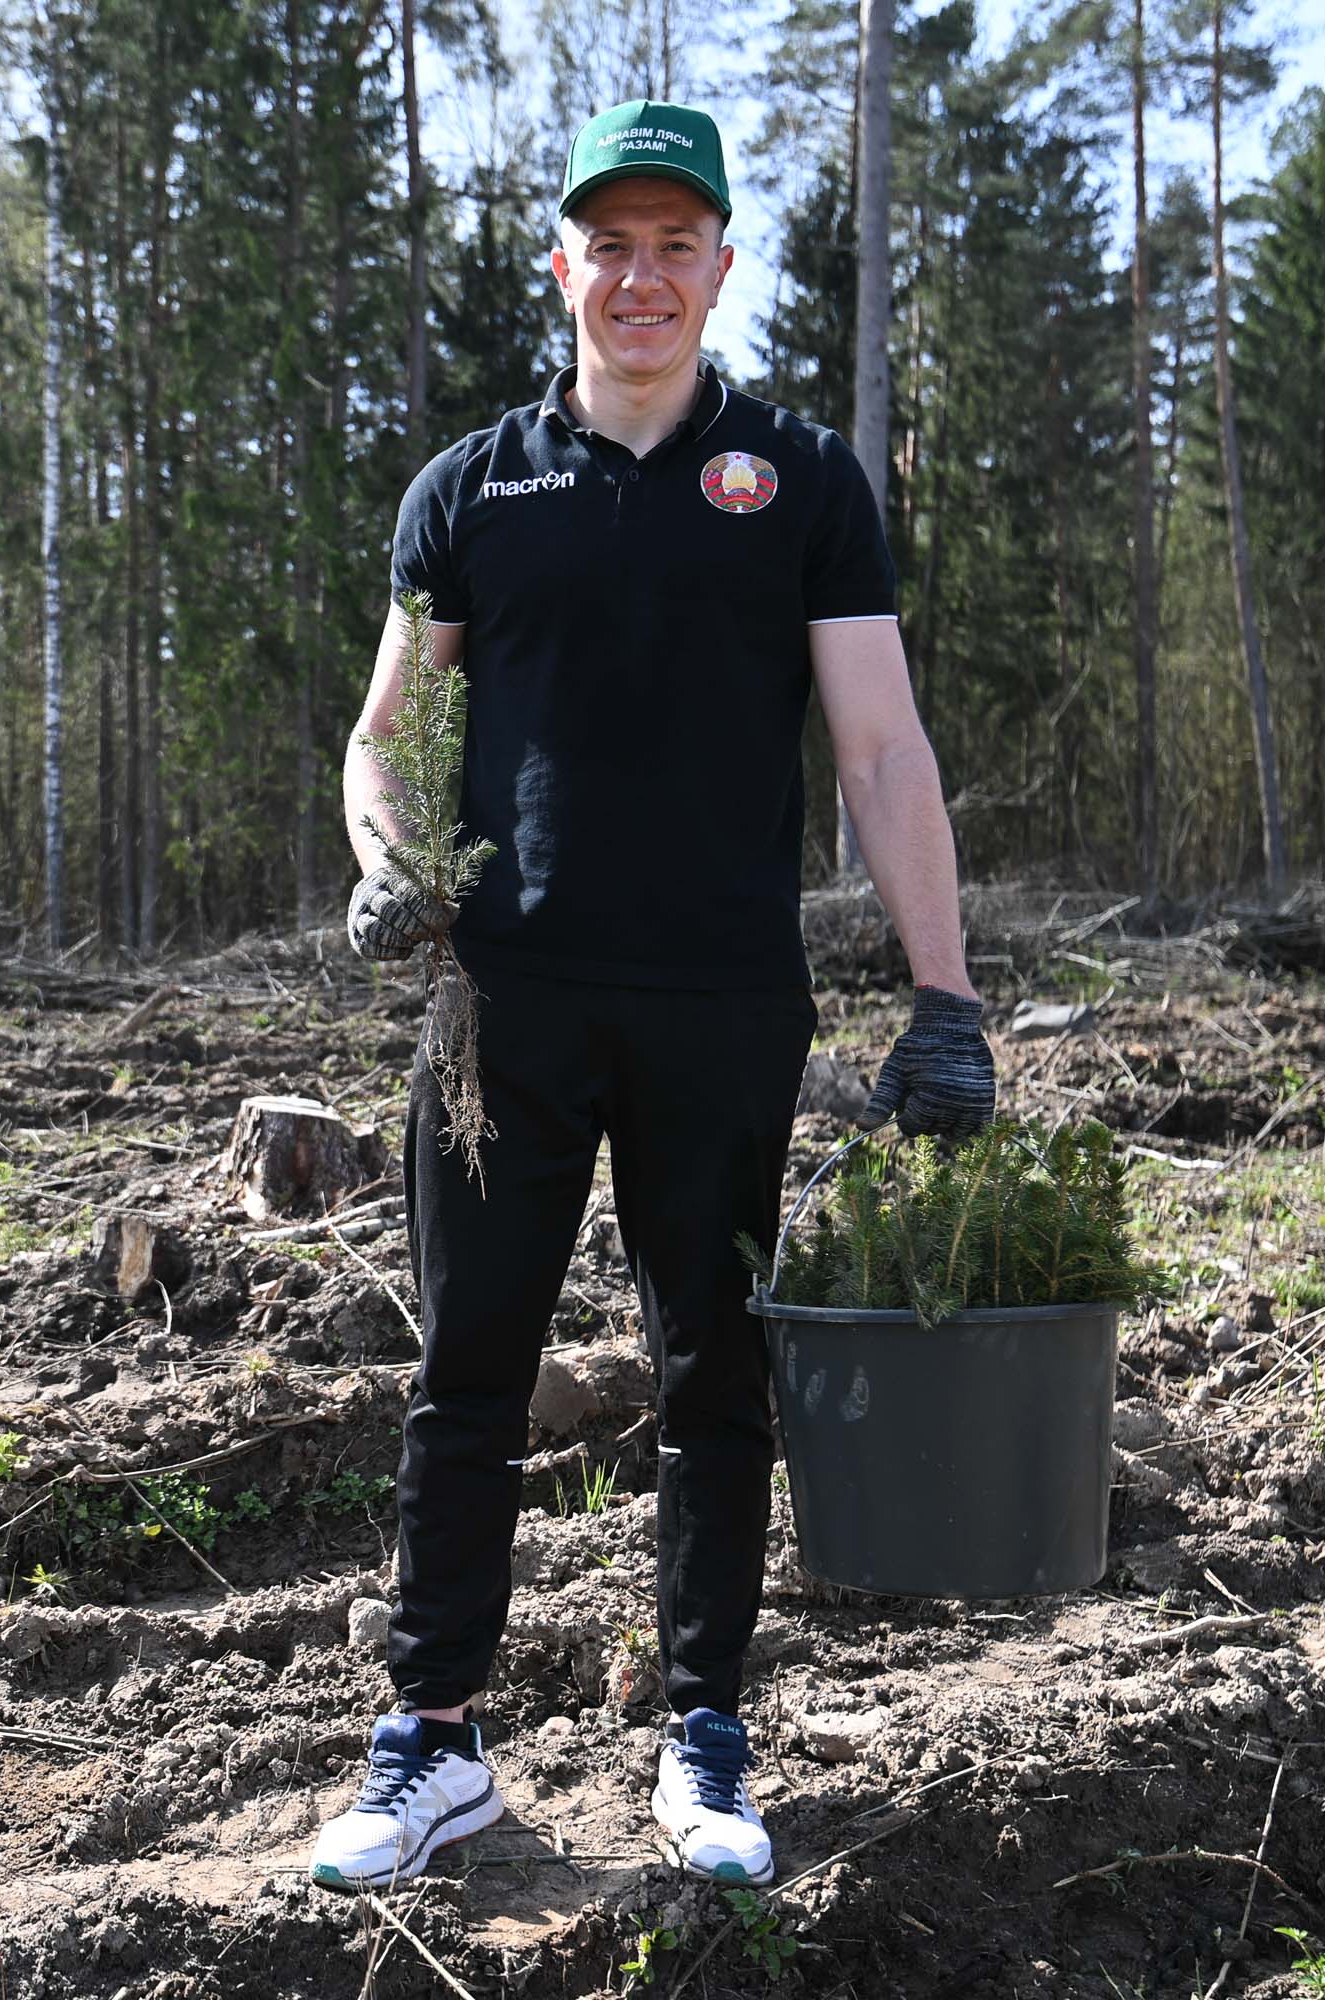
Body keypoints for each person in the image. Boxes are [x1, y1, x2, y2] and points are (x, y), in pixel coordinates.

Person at [308, 99, 996, 1894]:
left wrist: (944, 994)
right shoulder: (472, 490)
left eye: (674, 245)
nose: (641, 277)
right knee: (469, 1374)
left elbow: (881, 748)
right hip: (505, 1016)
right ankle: (432, 1743)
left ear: (720, 267)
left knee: (715, 1376)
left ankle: (706, 1739)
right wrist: (392, 861)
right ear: (565, 266)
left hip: (722, 1004)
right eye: (608, 245)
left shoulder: (799, 484)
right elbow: (383, 738)